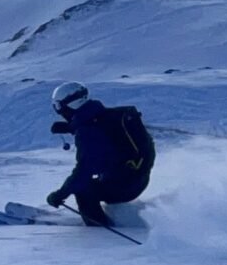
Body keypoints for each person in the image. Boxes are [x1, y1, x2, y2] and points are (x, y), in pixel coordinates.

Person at [46, 82, 155, 227]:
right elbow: (100, 131)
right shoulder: (104, 115)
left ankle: (98, 230)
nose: (59, 112)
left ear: (68, 105)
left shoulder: (87, 132)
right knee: (88, 183)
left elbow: (84, 171)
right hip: (139, 176)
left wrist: (60, 194)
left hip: (127, 186)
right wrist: (71, 127)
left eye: (58, 107)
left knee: (83, 189)